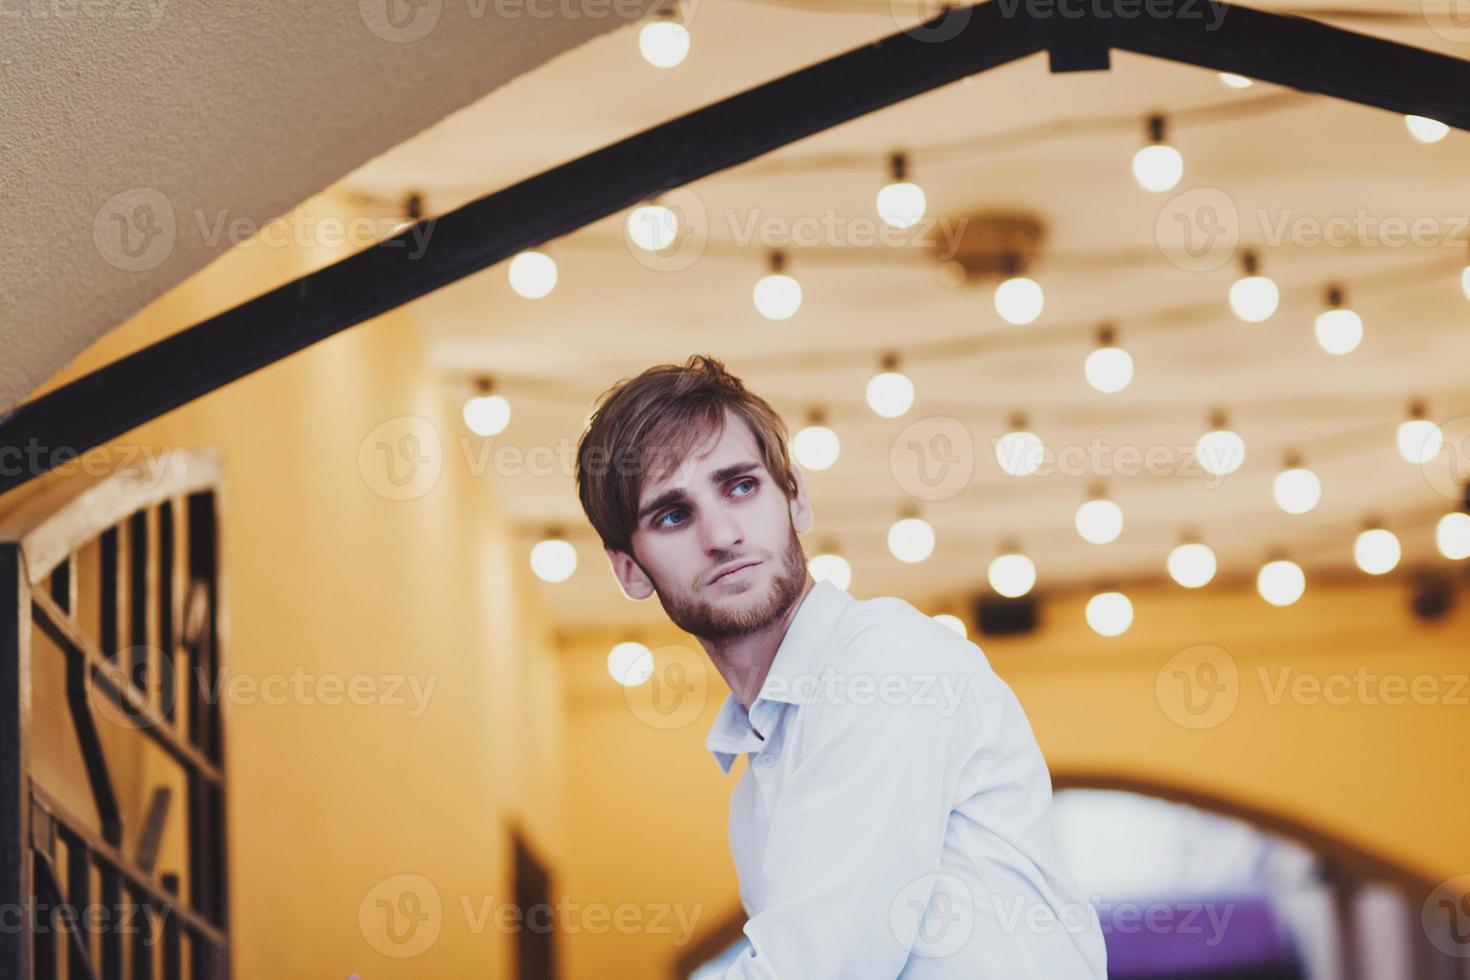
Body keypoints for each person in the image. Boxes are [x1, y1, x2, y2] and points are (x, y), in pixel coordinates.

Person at [574, 354, 1108, 979]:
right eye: (672, 514)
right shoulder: (752, 794)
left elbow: (822, 967)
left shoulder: (882, 660)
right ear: (630, 570)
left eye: (741, 485)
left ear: (795, 497)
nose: (720, 535)